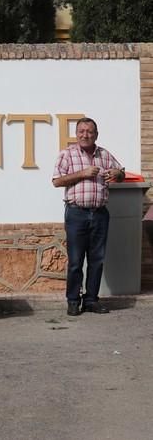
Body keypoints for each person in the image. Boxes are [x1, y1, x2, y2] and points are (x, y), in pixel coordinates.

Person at [52, 117, 124, 316]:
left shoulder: (104, 154)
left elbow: (121, 173)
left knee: (97, 260)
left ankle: (91, 300)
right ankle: (73, 301)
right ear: (76, 134)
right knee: (75, 260)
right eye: (81, 131)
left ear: (96, 135)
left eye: (89, 131)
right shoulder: (67, 154)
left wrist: (117, 174)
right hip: (76, 213)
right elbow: (57, 181)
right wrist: (82, 173)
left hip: (100, 213)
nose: (85, 134)